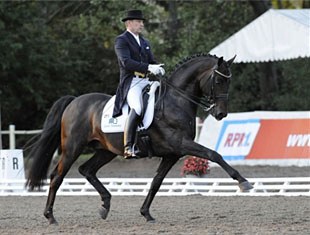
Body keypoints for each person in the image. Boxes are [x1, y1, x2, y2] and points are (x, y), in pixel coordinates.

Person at [113, 9, 165, 159]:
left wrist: (158, 67)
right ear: (129, 23)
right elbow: (126, 62)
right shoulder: (122, 40)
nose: (142, 25)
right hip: (132, 82)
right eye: (139, 22)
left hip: (147, 81)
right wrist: (149, 67)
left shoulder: (144, 42)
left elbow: (151, 61)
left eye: (142, 22)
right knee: (138, 106)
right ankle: (128, 146)